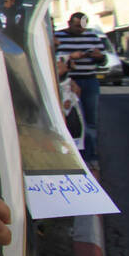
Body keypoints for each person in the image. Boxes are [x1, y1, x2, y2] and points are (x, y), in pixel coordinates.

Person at [55, 11, 106, 172]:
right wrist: (71, 56)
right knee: (71, 121)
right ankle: (72, 157)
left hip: (89, 81)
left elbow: (103, 60)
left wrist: (98, 57)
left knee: (90, 122)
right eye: (77, 26)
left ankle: (90, 157)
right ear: (69, 23)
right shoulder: (58, 37)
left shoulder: (92, 37)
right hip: (68, 82)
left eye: (83, 26)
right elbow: (53, 57)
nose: (80, 29)